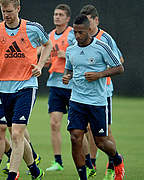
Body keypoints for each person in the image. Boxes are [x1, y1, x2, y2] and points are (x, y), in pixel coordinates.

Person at [0, 0, 52, 179]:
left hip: (26, 86)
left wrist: (40, 65)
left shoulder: (33, 28)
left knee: (16, 133)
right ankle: (35, 170)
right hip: (4, 88)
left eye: (9, 11)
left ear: (18, 8)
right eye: (3, 11)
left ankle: (12, 175)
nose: (6, 15)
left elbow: (48, 45)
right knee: (16, 134)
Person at [63, 14, 125, 180]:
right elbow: (69, 68)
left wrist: (100, 74)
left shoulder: (101, 47)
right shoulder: (71, 49)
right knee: (75, 137)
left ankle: (117, 158)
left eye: (80, 32)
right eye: (75, 32)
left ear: (89, 30)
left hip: (97, 102)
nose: (77, 36)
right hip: (76, 100)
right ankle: (83, 177)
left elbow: (119, 68)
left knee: (101, 142)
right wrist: (67, 76)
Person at [0, 19, 41, 178]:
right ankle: (34, 167)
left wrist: (37, 63)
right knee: (11, 134)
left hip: (15, 93)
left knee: (9, 133)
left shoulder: (19, 41)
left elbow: (38, 47)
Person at [80, 5, 125, 180]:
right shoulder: (80, 37)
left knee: (104, 130)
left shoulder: (105, 38)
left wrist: (100, 71)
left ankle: (114, 162)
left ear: (96, 20)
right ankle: (92, 163)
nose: (86, 23)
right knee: (85, 129)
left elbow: (119, 60)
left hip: (102, 90)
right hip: (84, 93)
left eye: (89, 20)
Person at [44, 4, 75, 172]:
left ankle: (88, 161)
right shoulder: (49, 35)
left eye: (61, 15)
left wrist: (67, 54)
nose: (57, 17)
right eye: (55, 14)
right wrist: (47, 61)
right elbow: (49, 58)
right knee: (54, 124)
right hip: (55, 84)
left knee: (78, 129)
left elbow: (80, 55)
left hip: (71, 85)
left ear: (67, 18)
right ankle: (58, 162)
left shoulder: (72, 34)